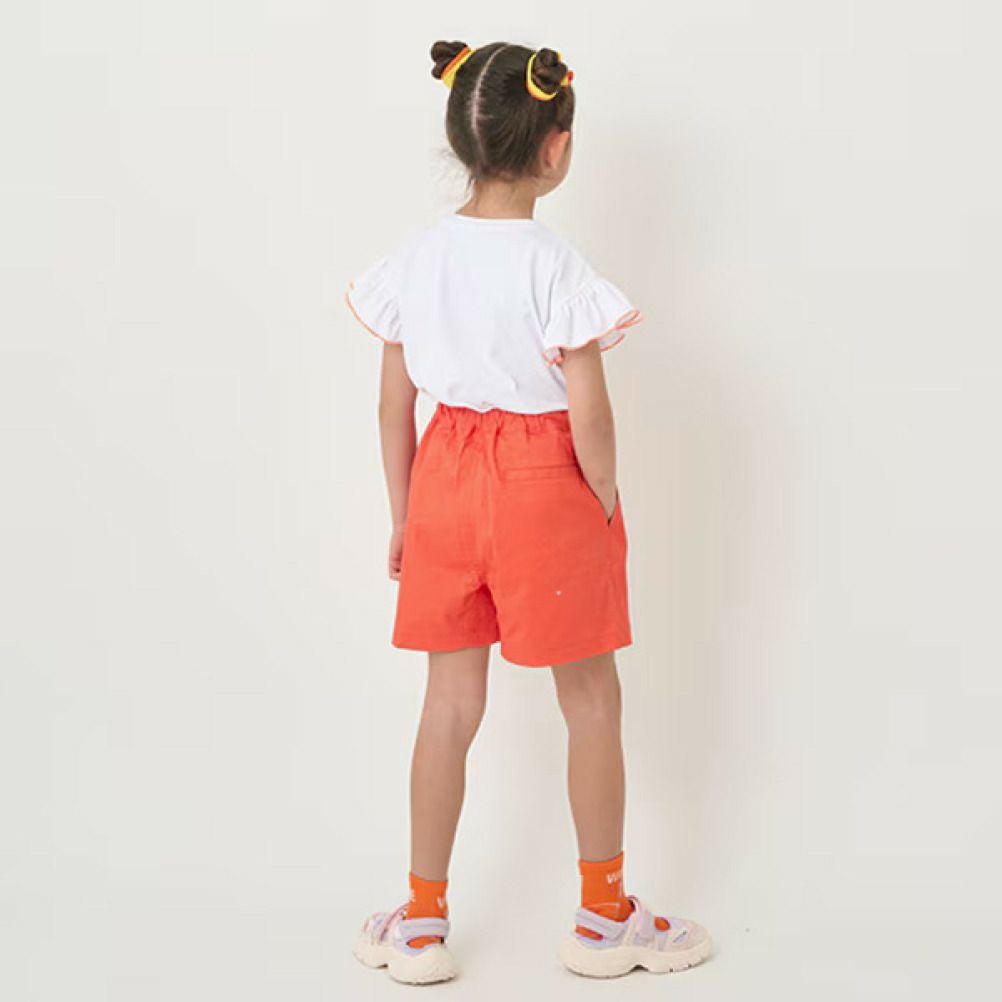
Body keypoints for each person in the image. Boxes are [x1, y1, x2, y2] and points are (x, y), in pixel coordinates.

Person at [345, 40, 712, 985]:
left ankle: (421, 920)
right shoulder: (557, 265)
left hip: (444, 479)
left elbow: (392, 405)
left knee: (448, 702)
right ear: (556, 148)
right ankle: (603, 915)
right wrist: (604, 499)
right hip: (544, 480)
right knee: (590, 698)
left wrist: (404, 514)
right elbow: (590, 412)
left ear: (461, 140)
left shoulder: (416, 259)